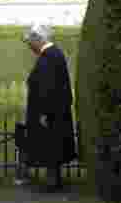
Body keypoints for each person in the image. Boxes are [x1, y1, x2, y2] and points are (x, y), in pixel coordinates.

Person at [15, 24, 78, 190]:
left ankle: (52, 182)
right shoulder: (54, 54)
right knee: (54, 147)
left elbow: (48, 89)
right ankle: (53, 180)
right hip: (54, 112)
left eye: (30, 42)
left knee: (51, 147)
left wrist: (43, 113)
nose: (29, 46)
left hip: (49, 114)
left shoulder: (49, 57)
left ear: (38, 40)